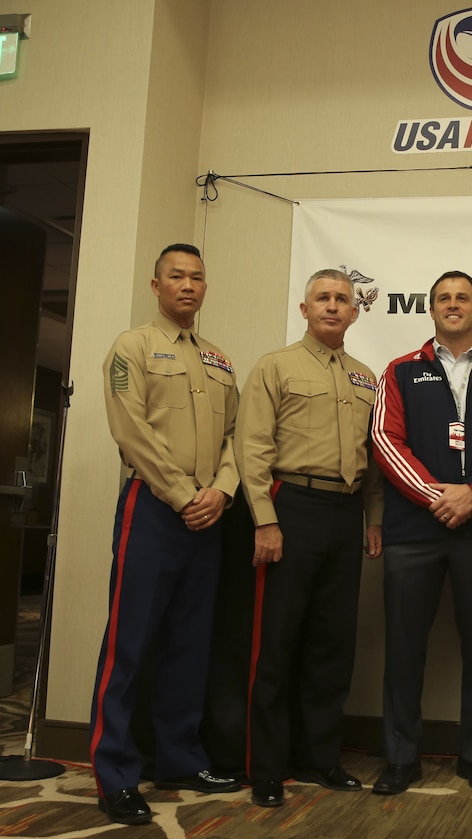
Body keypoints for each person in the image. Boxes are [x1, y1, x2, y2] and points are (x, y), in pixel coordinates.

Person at [91, 244, 241, 826]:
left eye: (197, 277)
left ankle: (180, 757)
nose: (188, 285)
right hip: (154, 510)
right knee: (129, 645)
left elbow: (235, 437)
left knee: (189, 643)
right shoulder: (132, 348)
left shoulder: (221, 360)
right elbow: (131, 431)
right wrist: (183, 495)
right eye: (176, 276)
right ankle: (115, 773)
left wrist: (222, 492)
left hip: (209, 513)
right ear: (156, 285)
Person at [371, 270, 472, 795]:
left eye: (463, 297)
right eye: (444, 298)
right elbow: (384, 438)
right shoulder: (399, 371)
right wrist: (436, 494)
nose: (453, 304)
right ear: (432, 309)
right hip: (412, 530)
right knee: (403, 646)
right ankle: (400, 758)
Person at [236, 268, 383, 809]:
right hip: (289, 506)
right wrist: (264, 519)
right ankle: (267, 766)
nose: (332, 306)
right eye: (322, 298)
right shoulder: (275, 366)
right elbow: (251, 447)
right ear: (304, 309)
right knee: (275, 643)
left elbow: (374, 459)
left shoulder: (368, 378)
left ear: (354, 311)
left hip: (345, 513)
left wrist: (373, 519)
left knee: (331, 644)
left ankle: (320, 757)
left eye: (342, 299)